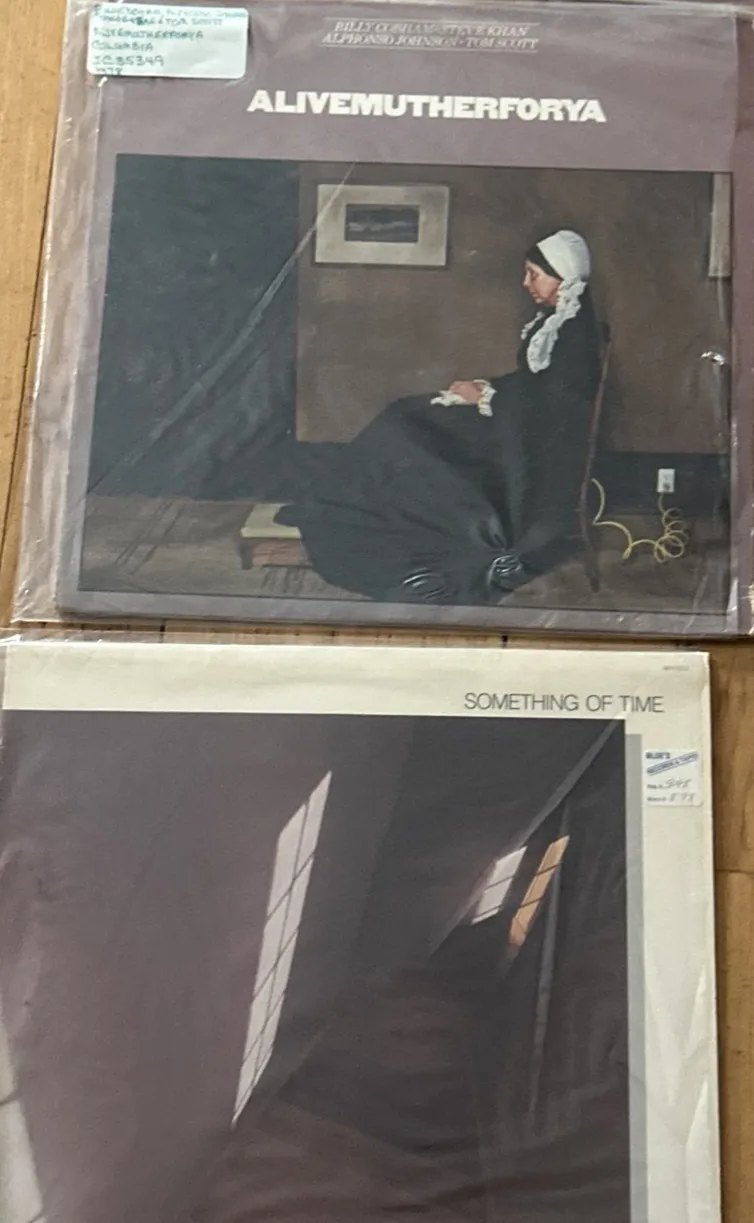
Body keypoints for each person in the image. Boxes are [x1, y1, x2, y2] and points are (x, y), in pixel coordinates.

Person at [277, 229, 602, 605]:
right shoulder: (556, 321)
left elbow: (556, 403)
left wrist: (487, 396)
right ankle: (357, 508)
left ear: (563, 277)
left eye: (534, 274)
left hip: (536, 443)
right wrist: (485, 387)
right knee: (405, 415)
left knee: (410, 431)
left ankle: (396, 532)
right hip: (520, 424)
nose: (525, 283)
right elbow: (536, 383)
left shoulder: (575, 330)